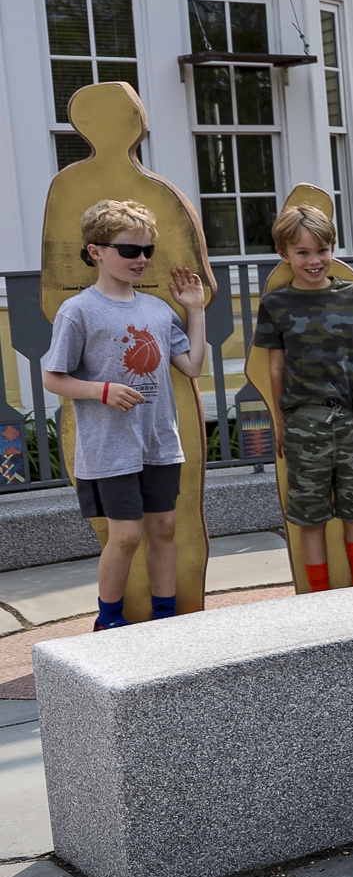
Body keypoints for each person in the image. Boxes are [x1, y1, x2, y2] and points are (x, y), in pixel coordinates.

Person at [42, 198, 206, 629]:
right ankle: (109, 619)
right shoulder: (77, 311)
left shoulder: (156, 310)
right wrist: (103, 390)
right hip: (109, 446)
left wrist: (195, 310)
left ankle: (166, 616)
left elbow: (192, 366)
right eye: (130, 250)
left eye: (147, 250)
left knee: (165, 527)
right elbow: (53, 378)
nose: (141, 260)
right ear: (96, 251)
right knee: (127, 535)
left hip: (158, 442)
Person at [253, 204, 353, 591]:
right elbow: (275, 369)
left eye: (322, 250)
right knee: (310, 518)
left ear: (332, 249)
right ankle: (318, 599)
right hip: (305, 422)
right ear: (284, 255)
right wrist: (279, 421)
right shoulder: (276, 304)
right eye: (303, 252)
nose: (314, 261)